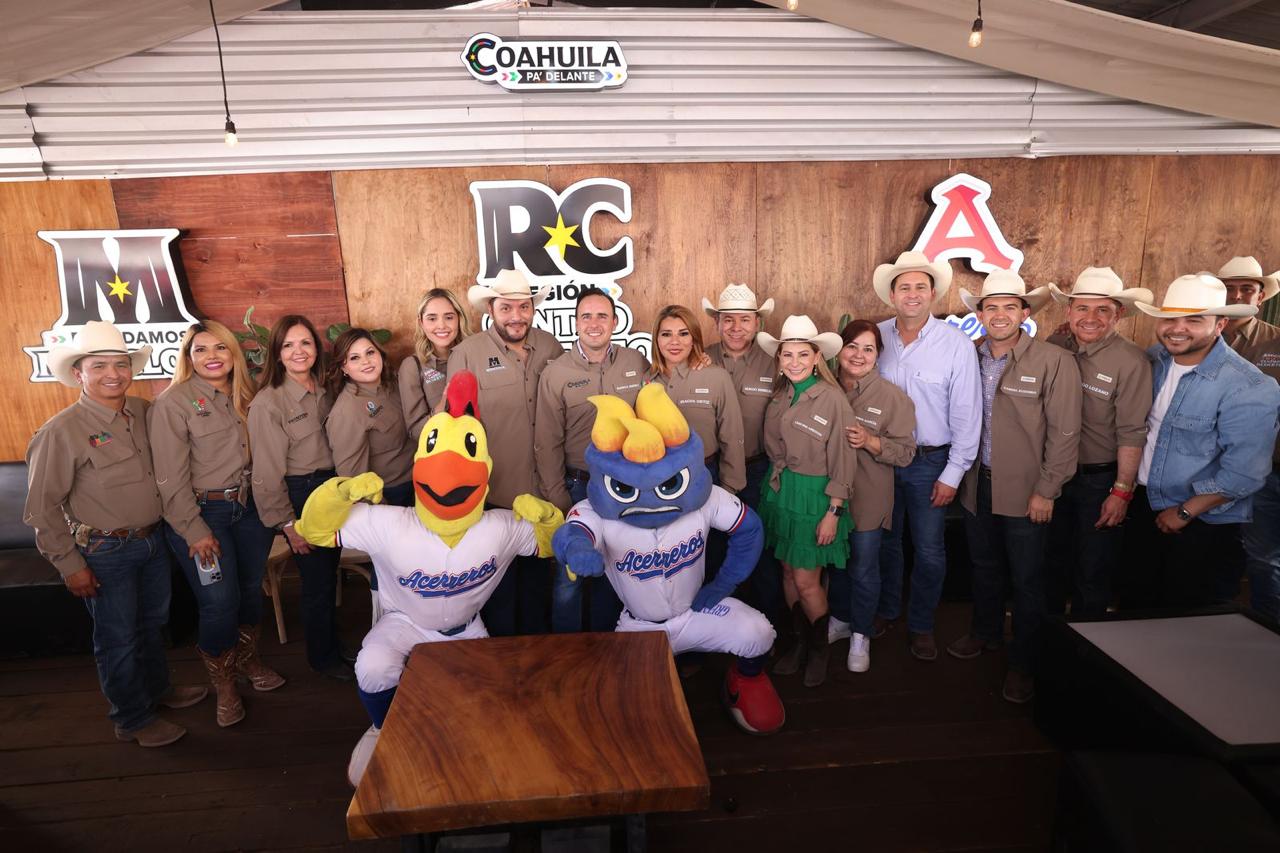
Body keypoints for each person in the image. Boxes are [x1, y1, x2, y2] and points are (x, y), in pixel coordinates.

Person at [295, 371, 564, 786]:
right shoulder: (388, 523)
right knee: (372, 664)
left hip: (466, 629)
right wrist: (338, 492)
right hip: (406, 623)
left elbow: (552, 546)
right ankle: (383, 726)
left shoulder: (500, 525)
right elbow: (314, 531)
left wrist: (547, 518)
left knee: (492, 708)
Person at [551, 384, 784, 736]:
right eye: (628, 489)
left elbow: (749, 529)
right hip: (641, 626)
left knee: (758, 633)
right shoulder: (596, 510)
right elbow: (573, 532)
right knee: (636, 718)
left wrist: (724, 584)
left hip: (696, 612)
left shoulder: (705, 499)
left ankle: (744, 679)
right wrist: (577, 550)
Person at [24, 321, 207, 746]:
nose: (113, 373)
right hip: (105, 550)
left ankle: (157, 691)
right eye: (100, 365)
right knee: (117, 638)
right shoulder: (60, 431)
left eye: (121, 364)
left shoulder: (145, 411)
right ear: (78, 373)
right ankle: (132, 717)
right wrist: (70, 566)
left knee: (151, 625)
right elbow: (41, 510)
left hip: (153, 540)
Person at [947, 270, 1081, 705]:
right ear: (979, 314)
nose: (1000, 314)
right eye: (991, 307)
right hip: (975, 484)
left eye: (1010, 306)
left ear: (1025, 313)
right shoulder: (968, 355)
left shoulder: (1052, 361)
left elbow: (1064, 433)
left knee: (1028, 579)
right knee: (984, 566)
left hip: (1027, 490)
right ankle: (985, 633)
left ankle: (1024, 662)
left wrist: (1047, 489)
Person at [150, 321, 285, 728]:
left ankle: (248, 660)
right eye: (201, 349)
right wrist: (193, 530)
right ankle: (224, 684)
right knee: (218, 601)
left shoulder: (249, 395)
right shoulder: (173, 403)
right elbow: (168, 478)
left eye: (220, 349)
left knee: (247, 590)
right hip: (202, 515)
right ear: (188, 357)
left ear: (233, 354)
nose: (212, 356)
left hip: (249, 510)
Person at [1120, 273, 1280, 611]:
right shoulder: (1155, 360)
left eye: (1194, 319)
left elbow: (1246, 473)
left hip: (1200, 520)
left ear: (1220, 324)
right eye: (1170, 318)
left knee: (1184, 617)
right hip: (1144, 503)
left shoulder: (1249, 385)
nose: (1177, 328)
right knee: (1136, 605)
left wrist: (1185, 510)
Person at [872, 251, 982, 661]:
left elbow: (968, 414)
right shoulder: (875, 338)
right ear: (892, 295)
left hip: (930, 461)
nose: (913, 294)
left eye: (921, 287)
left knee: (930, 550)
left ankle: (920, 625)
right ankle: (885, 610)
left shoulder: (955, 344)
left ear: (933, 293)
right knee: (885, 542)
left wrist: (953, 473)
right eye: (905, 287)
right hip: (879, 460)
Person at [447, 268, 564, 635]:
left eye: (524, 307)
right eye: (506, 307)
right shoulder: (466, 354)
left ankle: (537, 660)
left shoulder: (550, 346)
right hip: (495, 496)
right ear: (491, 310)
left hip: (544, 492)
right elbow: (456, 429)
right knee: (498, 590)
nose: (516, 316)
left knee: (538, 587)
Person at [535, 286, 647, 632]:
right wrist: (557, 496)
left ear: (615, 322)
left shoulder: (635, 362)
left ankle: (609, 644)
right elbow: (547, 441)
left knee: (616, 570)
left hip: (626, 487)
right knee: (569, 577)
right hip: (578, 485)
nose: (594, 323)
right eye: (586, 316)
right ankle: (567, 652)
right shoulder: (556, 373)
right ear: (575, 323)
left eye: (602, 316)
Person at [1043, 268, 1154, 617]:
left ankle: (1084, 658)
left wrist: (1121, 491)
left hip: (1098, 480)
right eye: (1082, 309)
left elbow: (1132, 431)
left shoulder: (1132, 361)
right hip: (1053, 477)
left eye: (1102, 310)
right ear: (1068, 312)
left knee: (1093, 571)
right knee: (1049, 565)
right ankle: (1044, 650)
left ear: (1118, 314)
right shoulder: (1055, 344)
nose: (1090, 318)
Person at [248, 315, 353, 681]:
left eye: (305, 343)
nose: (298, 351)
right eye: (288, 345)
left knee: (328, 576)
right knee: (317, 583)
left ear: (316, 348)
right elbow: (265, 473)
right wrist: (289, 525)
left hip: (332, 488)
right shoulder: (269, 403)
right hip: (302, 493)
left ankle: (332, 647)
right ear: (276, 353)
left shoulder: (326, 389)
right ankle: (323, 659)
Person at [756, 315, 855, 688]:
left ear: (817, 358)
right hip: (781, 492)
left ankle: (819, 651)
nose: (794, 362)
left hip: (816, 498)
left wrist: (833, 512)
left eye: (802, 354)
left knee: (807, 580)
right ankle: (799, 643)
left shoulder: (831, 398)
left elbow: (845, 460)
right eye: (787, 355)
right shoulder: (781, 395)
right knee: (786, 572)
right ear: (779, 359)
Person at [827, 320, 917, 673]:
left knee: (864, 567)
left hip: (869, 496)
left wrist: (870, 441)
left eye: (868, 348)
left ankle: (861, 633)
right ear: (840, 350)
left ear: (878, 354)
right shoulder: (824, 388)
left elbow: (906, 453)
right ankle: (840, 618)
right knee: (835, 562)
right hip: (829, 495)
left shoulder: (893, 398)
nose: (859, 355)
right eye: (852, 346)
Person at [703, 283, 787, 633]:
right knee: (710, 552)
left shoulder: (776, 364)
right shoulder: (698, 358)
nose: (736, 327)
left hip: (758, 470)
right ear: (717, 323)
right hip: (709, 472)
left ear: (758, 323)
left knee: (764, 552)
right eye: (728, 320)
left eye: (745, 319)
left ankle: (767, 630)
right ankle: (709, 629)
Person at [1218, 257, 1280, 621]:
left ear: (1260, 298)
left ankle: (1266, 634)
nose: (1238, 295)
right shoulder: (1198, 337)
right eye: (1230, 288)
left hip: (1268, 469)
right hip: (1213, 467)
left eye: (1247, 289)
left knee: (1265, 559)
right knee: (1230, 553)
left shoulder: (1276, 341)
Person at [650, 305, 746, 493]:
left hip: (705, 473)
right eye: (666, 334)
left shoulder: (717, 377)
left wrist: (729, 489)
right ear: (656, 340)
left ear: (694, 338)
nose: (675, 342)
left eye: (683, 334)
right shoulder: (645, 380)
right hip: (655, 479)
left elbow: (732, 438)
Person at [326, 328, 415, 508]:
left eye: (370, 352)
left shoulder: (395, 384)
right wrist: (382, 509)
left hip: (421, 481)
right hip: (393, 495)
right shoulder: (346, 412)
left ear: (380, 354)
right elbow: (353, 480)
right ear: (344, 367)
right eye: (354, 358)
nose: (365, 361)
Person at [398, 288, 471, 440]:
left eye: (449, 317)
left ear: (459, 318)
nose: (442, 325)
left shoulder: (474, 355)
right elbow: (415, 431)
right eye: (432, 319)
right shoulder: (412, 366)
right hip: (442, 454)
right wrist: (440, 409)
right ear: (421, 322)